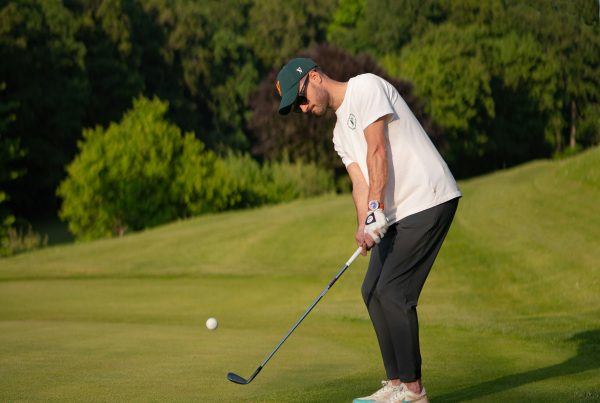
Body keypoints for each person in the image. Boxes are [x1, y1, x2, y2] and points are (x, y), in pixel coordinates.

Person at [275, 58, 461, 403]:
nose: (302, 108)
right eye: (296, 106)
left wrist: (376, 210)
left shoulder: (366, 87)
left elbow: (378, 150)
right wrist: (364, 225)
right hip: (396, 213)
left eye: (301, 98)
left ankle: (414, 392)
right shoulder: (338, 134)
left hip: (428, 198)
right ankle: (395, 384)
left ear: (314, 76)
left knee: (393, 292)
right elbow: (359, 183)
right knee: (372, 290)